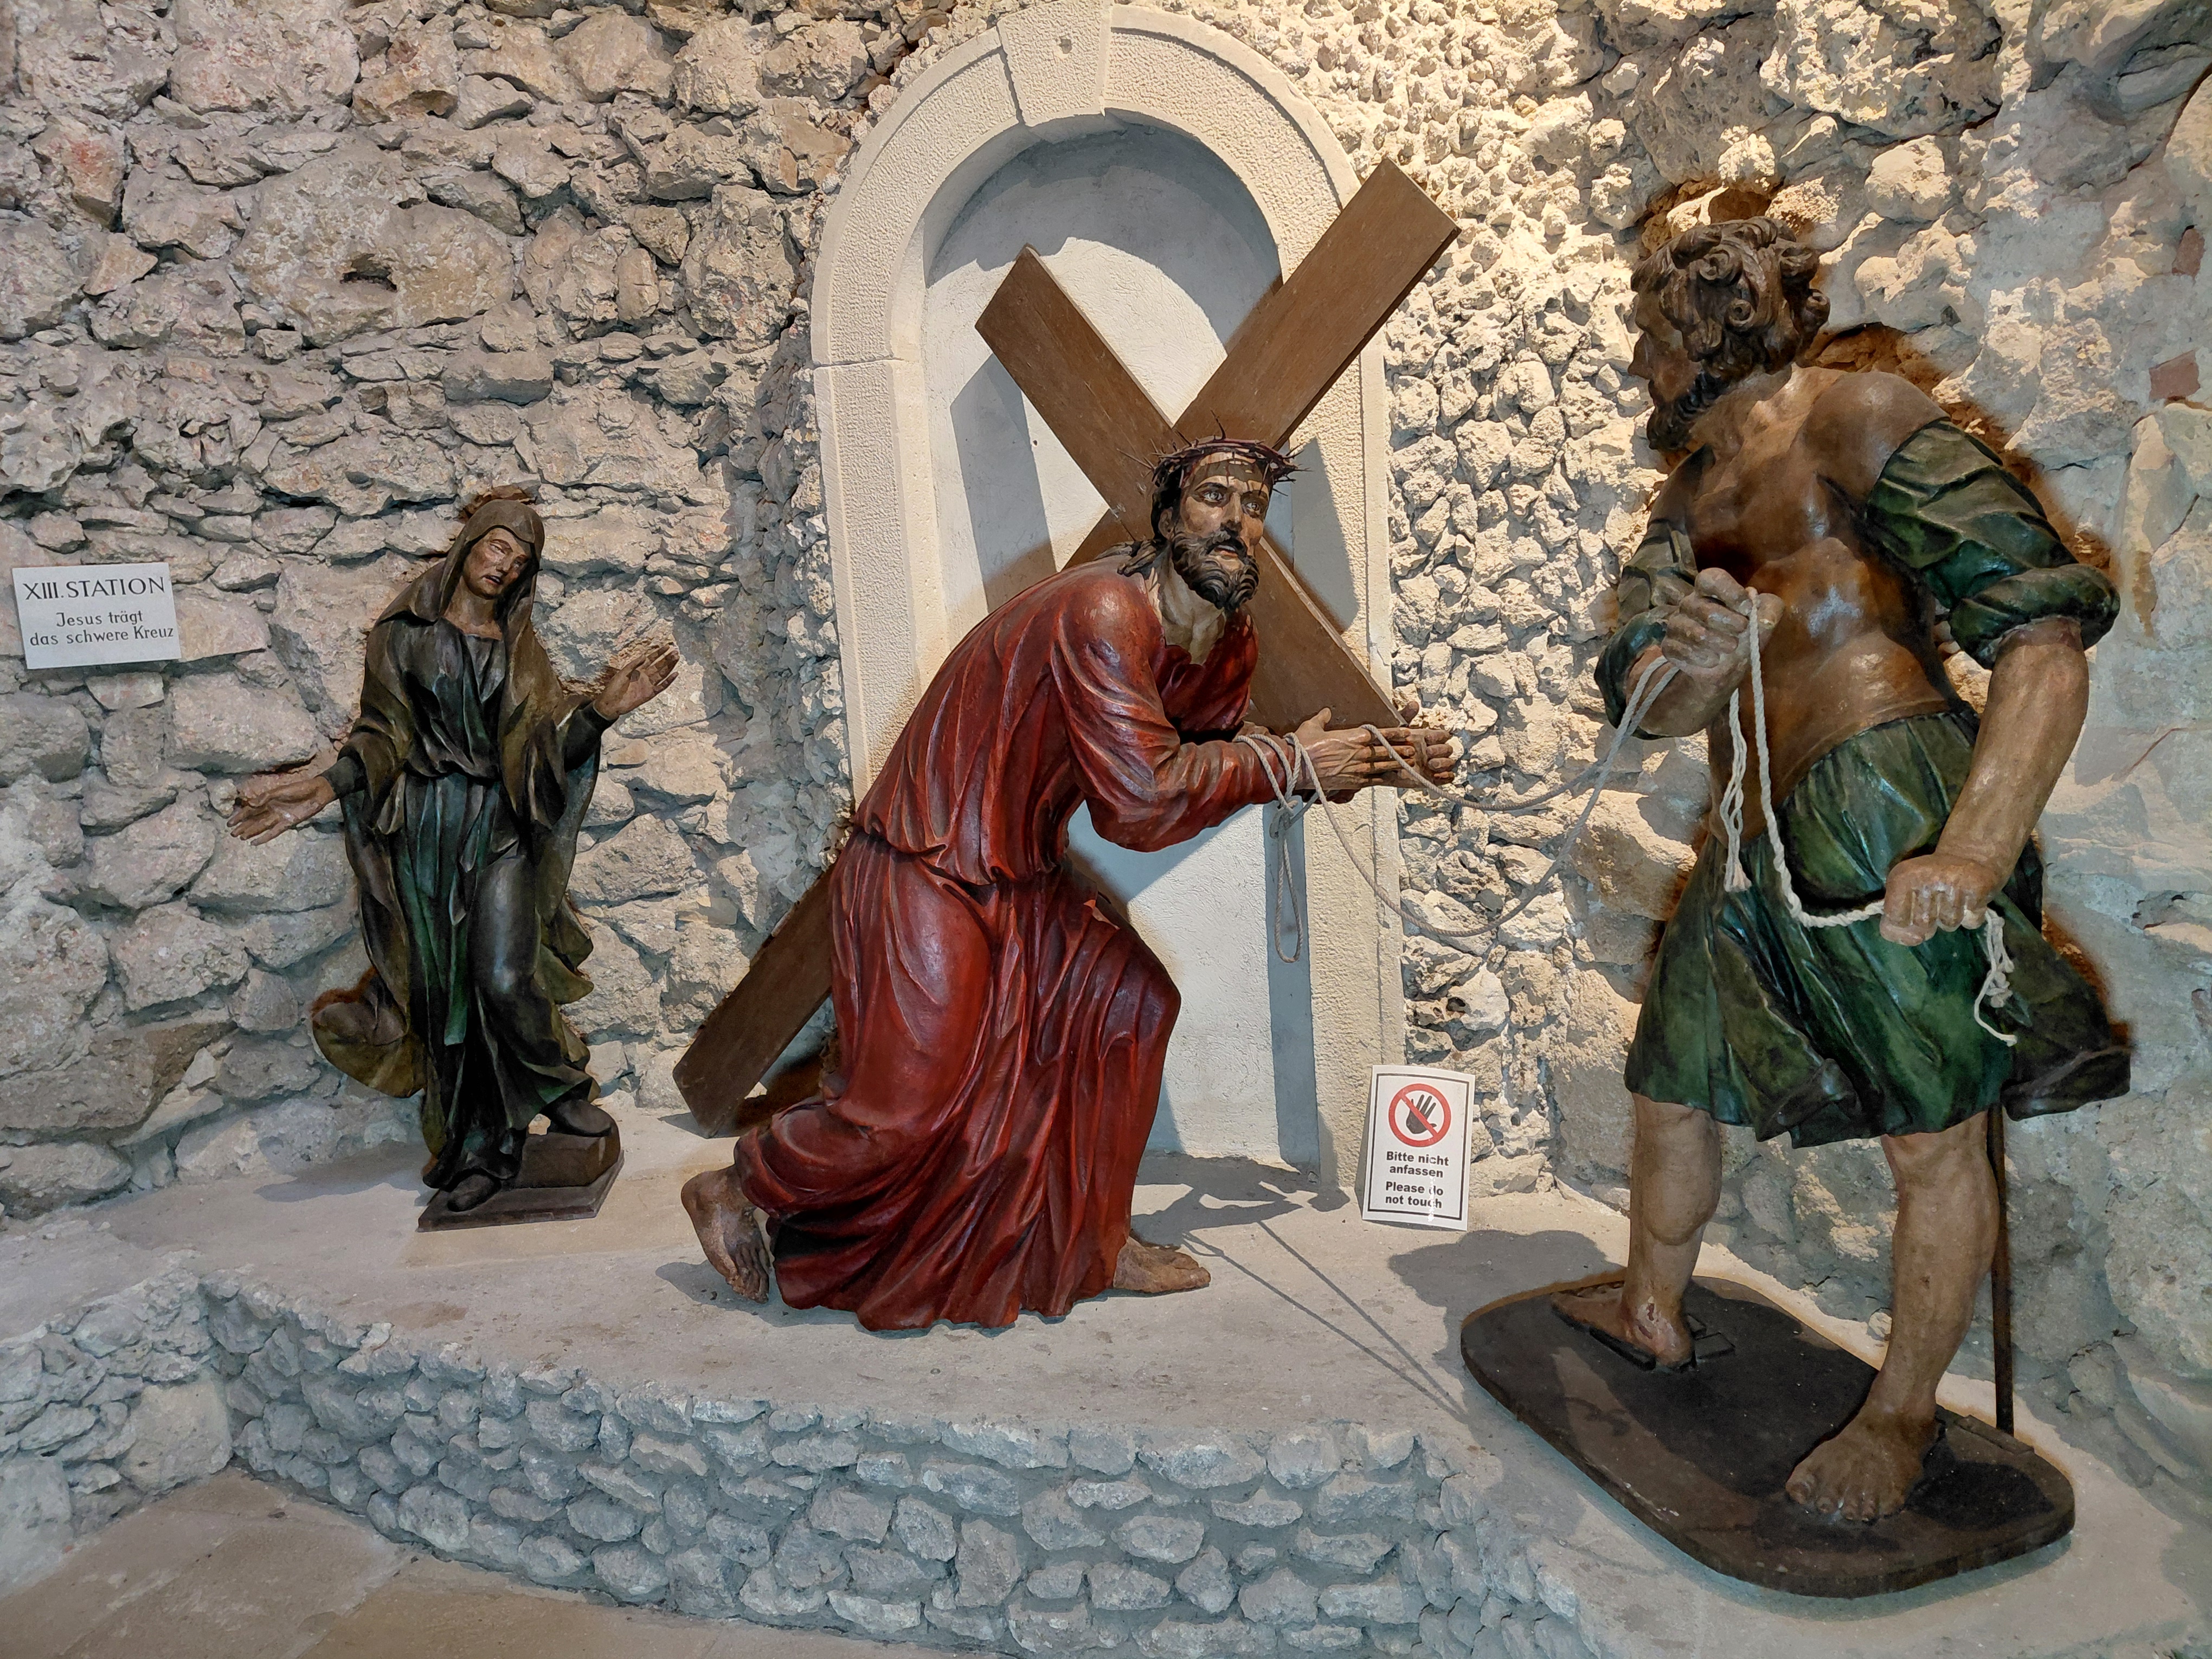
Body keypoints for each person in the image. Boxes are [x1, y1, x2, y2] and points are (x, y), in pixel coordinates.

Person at [1559, 218, 2130, 1520]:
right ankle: (1651, 1309)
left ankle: (1901, 1419)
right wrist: (1694, 659)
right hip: (1752, 824)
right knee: (1674, 1077)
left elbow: (2040, 630)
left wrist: (1975, 844)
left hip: (1881, 792)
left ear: (1725, 321)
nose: (1650, 357)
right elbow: (1650, 705)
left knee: (1932, 1133)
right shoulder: (1688, 499)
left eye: (1658, 332)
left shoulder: (1860, 416)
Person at [682, 439, 1456, 1330]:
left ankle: (1095, 1241)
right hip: (930, 862)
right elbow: (1139, 804)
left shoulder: (1225, 638)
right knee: (899, 1112)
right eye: (1214, 497)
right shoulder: (1105, 611)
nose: (1237, 521)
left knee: (1132, 1002)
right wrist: (1291, 763)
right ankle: (740, 1183)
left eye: (1253, 506)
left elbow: (1214, 756)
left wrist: (1366, 759)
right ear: (1168, 515)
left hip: (1020, 869)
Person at [228, 490, 678, 1212]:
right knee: (449, 997)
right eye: (498, 547)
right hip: (429, 832)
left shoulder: (522, 652)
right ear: (470, 543)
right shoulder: (405, 633)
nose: (505, 566)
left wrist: (600, 712)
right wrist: (324, 787)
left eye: (521, 561)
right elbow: (383, 736)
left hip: (500, 828)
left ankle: (561, 1087)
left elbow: (544, 755)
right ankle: (482, 1149)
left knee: (502, 975)